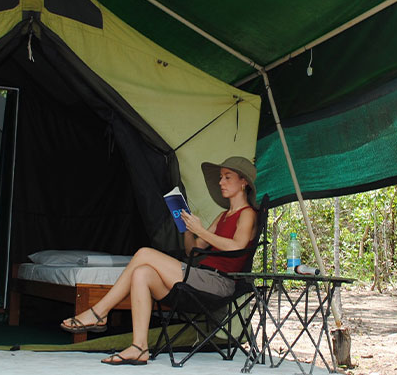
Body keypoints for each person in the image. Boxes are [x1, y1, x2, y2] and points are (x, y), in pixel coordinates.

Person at [59, 156, 259, 365]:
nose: (221, 182)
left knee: (144, 253)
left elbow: (237, 246)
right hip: (200, 278)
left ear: (243, 181)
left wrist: (200, 229)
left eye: (227, 177)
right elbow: (194, 249)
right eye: (220, 177)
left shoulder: (247, 215)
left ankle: (99, 312)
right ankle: (139, 347)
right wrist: (186, 228)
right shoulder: (222, 216)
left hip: (220, 284)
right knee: (141, 273)